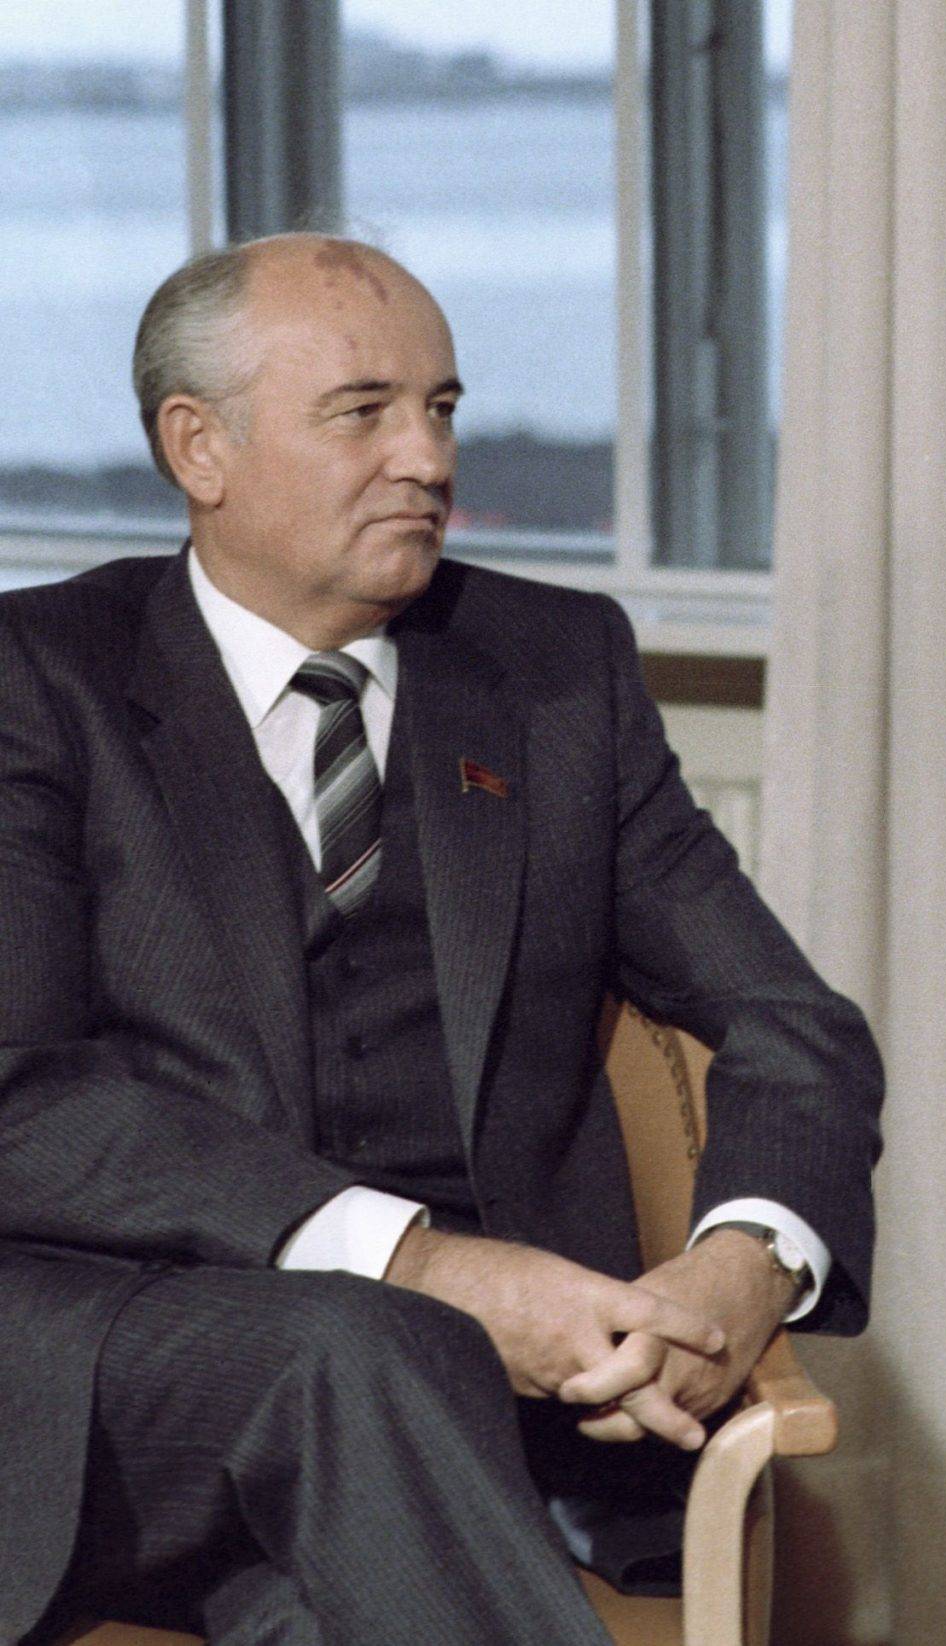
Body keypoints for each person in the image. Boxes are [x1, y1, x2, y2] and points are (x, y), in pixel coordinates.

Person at [0, 233, 884, 1644]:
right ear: (198, 447)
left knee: (319, 1609)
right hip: (121, 1389)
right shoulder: (40, 680)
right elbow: (18, 1098)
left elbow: (795, 1024)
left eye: (445, 409)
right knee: (349, 1345)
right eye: (363, 412)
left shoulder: (554, 673)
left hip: (473, 1451)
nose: (427, 458)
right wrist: (420, 1263)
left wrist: (734, 1273)